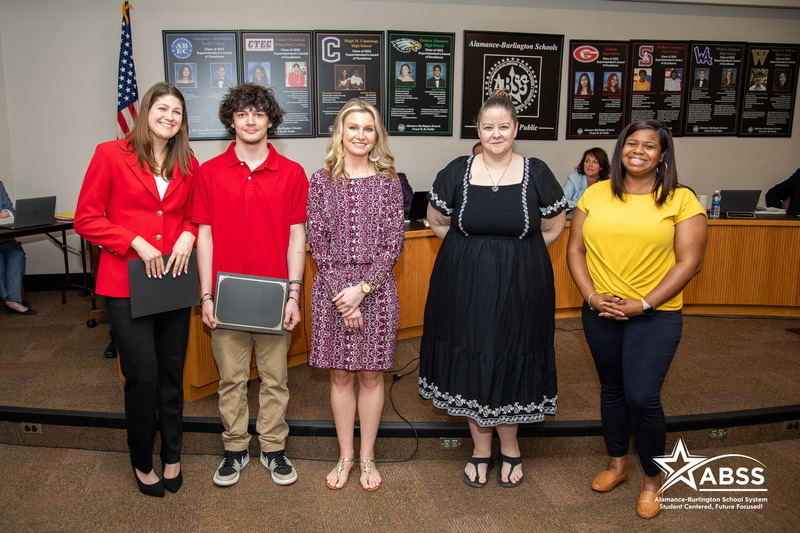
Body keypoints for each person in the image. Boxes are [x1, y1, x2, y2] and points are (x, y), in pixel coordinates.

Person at [419, 91, 567, 489]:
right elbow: (436, 220)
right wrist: (470, 255)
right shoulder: (457, 170)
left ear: (516, 129)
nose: (496, 133)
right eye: (488, 127)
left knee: (511, 355)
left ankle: (512, 448)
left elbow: (554, 227)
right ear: (478, 130)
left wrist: (518, 260)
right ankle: (480, 450)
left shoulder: (537, 171)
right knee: (474, 358)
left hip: (522, 287)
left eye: (504, 126)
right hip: (463, 286)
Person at [566, 119, 707, 519]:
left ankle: (651, 479)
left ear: (663, 155)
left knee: (642, 398)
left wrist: (643, 303)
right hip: (601, 311)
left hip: (655, 315)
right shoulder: (595, 194)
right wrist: (592, 296)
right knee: (611, 389)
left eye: (649, 145)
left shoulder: (680, 199)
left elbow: (689, 263)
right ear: (620, 150)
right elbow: (575, 250)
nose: (639, 151)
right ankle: (617, 465)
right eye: (632, 143)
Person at [75, 82, 199, 497]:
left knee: (170, 373)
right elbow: (86, 219)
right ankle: (141, 457)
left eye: (177, 112)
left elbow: (192, 216)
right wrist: (134, 242)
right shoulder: (109, 155)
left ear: (183, 121)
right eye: (162, 108)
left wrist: (188, 236)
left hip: (173, 283)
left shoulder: (189, 162)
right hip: (126, 283)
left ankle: (173, 454)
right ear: (146, 112)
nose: (169, 116)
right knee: (142, 376)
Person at [194, 83, 307, 488]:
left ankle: (273, 449)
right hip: (226, 298)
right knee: (232, 380)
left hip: (274, 297)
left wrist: (294, 295)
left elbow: (298, 239)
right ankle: (235, 448)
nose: (250, 121)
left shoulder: (292, 173)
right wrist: (205, 295)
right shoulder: (208, 173)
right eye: (242, 114)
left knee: (276, 380)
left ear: (271, 120)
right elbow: (202, 237)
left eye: (259, 114)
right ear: (231, 121)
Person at [307, 98, 405, 492]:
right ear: (340, 133)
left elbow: (393, 244)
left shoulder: (389, 183)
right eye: (353, 127)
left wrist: (361, 291)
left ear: (376, 135)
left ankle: (368, 457)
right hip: (332, 292)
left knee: (370, 375)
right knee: (341, 373)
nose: (361, 135)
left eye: (369, 128)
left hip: (377, 291)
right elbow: (319, 242)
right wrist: (343, 296)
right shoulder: (320, 180)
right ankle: (345, 456)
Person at [0, 181, 35, 315]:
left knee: (17, 253)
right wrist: (3, 213)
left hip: (5, 238)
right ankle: (8, 299)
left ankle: (12, 300)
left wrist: (6, 213)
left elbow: (11, 211)